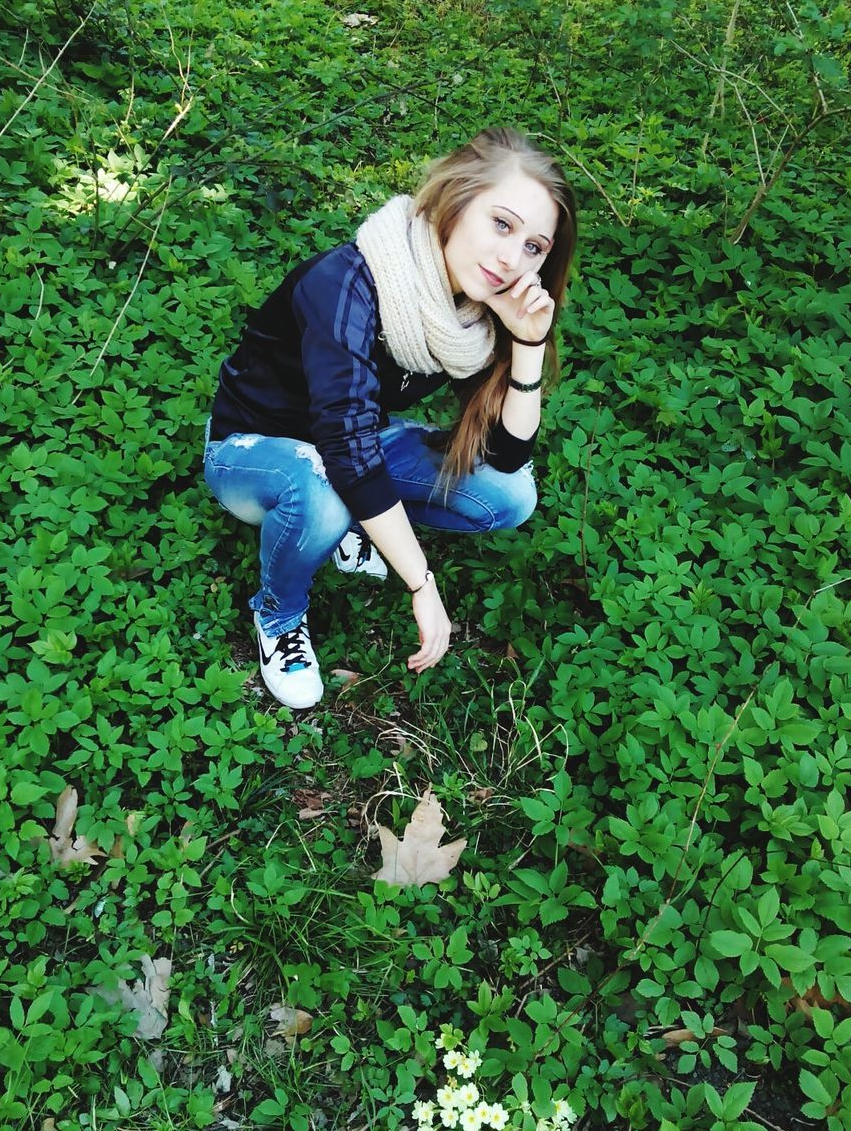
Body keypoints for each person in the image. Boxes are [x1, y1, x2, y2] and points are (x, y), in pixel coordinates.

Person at [204, 127, 577, 708]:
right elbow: (346, 448)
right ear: (454, 201)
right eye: (501, 224)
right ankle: (278, 615)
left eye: (534, 246)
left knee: (511, 495)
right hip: (252, 451)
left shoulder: (472, 314)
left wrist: (528, 342)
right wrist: (421, 583)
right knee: (323, 486)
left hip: (352, 443)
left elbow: (506, 456)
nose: (511, 258)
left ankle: (355, 521)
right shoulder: (346, 284)